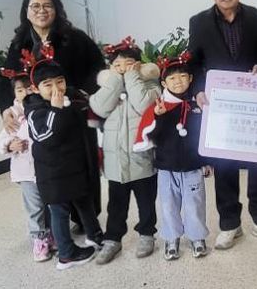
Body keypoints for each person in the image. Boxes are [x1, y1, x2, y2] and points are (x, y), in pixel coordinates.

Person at [188, 0, 257, 249]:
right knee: (224, 164)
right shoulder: (199, 22)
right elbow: (194, 62)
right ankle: (229, 224)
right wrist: (198, 90)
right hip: (222, 106)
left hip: (254, 103)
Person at [0, 0, 105, 222]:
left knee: (81, 164)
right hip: (39, 115)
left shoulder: (75, 38)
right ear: (26, 12)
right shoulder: (19, 44)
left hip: (73, 111)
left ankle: (85, 219)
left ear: (56, 9)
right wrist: (6, 109)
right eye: (35, 6)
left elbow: (97, 68)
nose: (41, 10)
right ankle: (53, 223)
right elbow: (6, 80)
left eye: (47, 5)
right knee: (46, 167)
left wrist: (86, 94)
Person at [23, 46, 104, 270]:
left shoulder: (72, 99)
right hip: (54, 174)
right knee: (59, 211)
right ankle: (67, 254)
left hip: (75, 167)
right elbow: (45, 136)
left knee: (85, 201)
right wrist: (56, 110)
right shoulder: (35, 110)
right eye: (48, 85)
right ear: (35, 88)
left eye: (60, 81)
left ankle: (95, 236)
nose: (56, 88)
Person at [89, 37, 160, 264]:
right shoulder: (107, 87)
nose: (123, 69)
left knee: (146, 202)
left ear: (139, 65)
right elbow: (99, 108)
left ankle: (147, 234)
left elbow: (144, 106)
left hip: (142, 158)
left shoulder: (151, 86)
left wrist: (131, 77)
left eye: (129, 64)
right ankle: (113, 239)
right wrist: (114, 82)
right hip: (116, 161)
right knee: (116, 205)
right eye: (118, 65)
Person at [134, 51, 212, 260]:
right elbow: (152, 137)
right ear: (164, 83)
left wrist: (207, 162)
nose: (178, 81)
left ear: (191, 78)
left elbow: (206, 136)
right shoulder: (159, 107)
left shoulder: (197, 105)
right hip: (166, 167)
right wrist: (159, 117)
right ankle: (171, 238)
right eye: (172, 78)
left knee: (195, 204)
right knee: (168, 205)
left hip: (193, 166)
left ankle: (197, 237)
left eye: (183, 76)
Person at [0, 69, 53, 262]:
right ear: (14, 94)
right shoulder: (12, 116)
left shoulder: (44, 108)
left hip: (46, 169)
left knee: (49, 204)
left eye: (29, 88)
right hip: (26, 172)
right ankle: (39, 240)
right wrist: (10, 145)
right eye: (20, 90)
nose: (25, 93)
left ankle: (51, 234)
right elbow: (0, 141)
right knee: (35, 207)